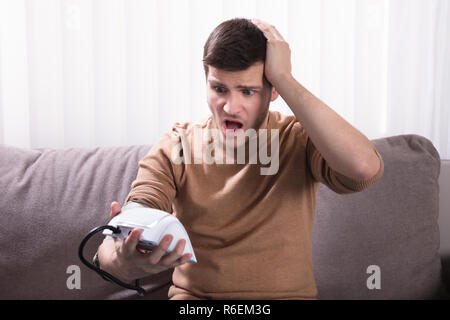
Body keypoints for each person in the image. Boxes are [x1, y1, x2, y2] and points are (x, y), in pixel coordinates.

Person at [96, 18, 384, 300]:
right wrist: (123, 257)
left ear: (273, 92)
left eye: (248, 91)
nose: (230, 107)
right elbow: (120, 234)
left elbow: (364, 168)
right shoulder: (178, 144)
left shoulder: (297, 138)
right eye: (219, 89)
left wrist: (285, 78)